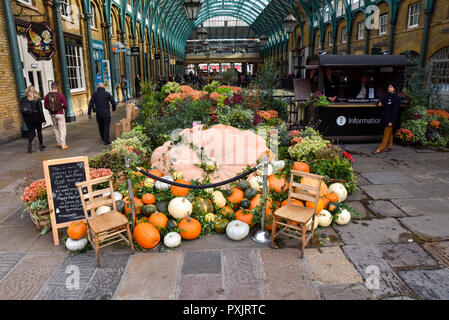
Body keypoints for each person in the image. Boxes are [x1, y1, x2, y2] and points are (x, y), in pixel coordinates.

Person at [372, 83, 401, 154]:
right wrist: (379, 103)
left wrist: (392, 121)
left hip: (391, 119)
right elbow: (381, 100)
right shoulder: (387, 95)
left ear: (394, 88)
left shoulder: (396, 97)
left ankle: (380, 148)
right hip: (385, 118)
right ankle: (389, 146)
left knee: (386, 134)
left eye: (390, 87)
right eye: (388, 87)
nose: (388, 88)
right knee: (390, 133)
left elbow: (395, 110)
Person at [20, 86, 46, 153]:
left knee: (31, 132)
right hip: (37, 118)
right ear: (34, 91)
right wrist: (43, 119)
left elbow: (22, 110)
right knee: (39, 131)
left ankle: (29, 145)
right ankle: (41, 145)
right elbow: (40, 111)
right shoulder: (37, 99)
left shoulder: (23, 99)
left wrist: (25, 119)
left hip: (28, 119)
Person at [44, 81, 69, 150]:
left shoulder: (47, 95)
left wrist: (51, 110)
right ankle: (63, 145)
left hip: (52, 115)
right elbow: (66, 105)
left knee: (55, 128)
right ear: (57, 87)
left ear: (51, 87)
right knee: (62, 129)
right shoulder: (60, 95)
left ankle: (58, 142)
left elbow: (45, 106)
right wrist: (61, 107)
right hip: (60, 114)